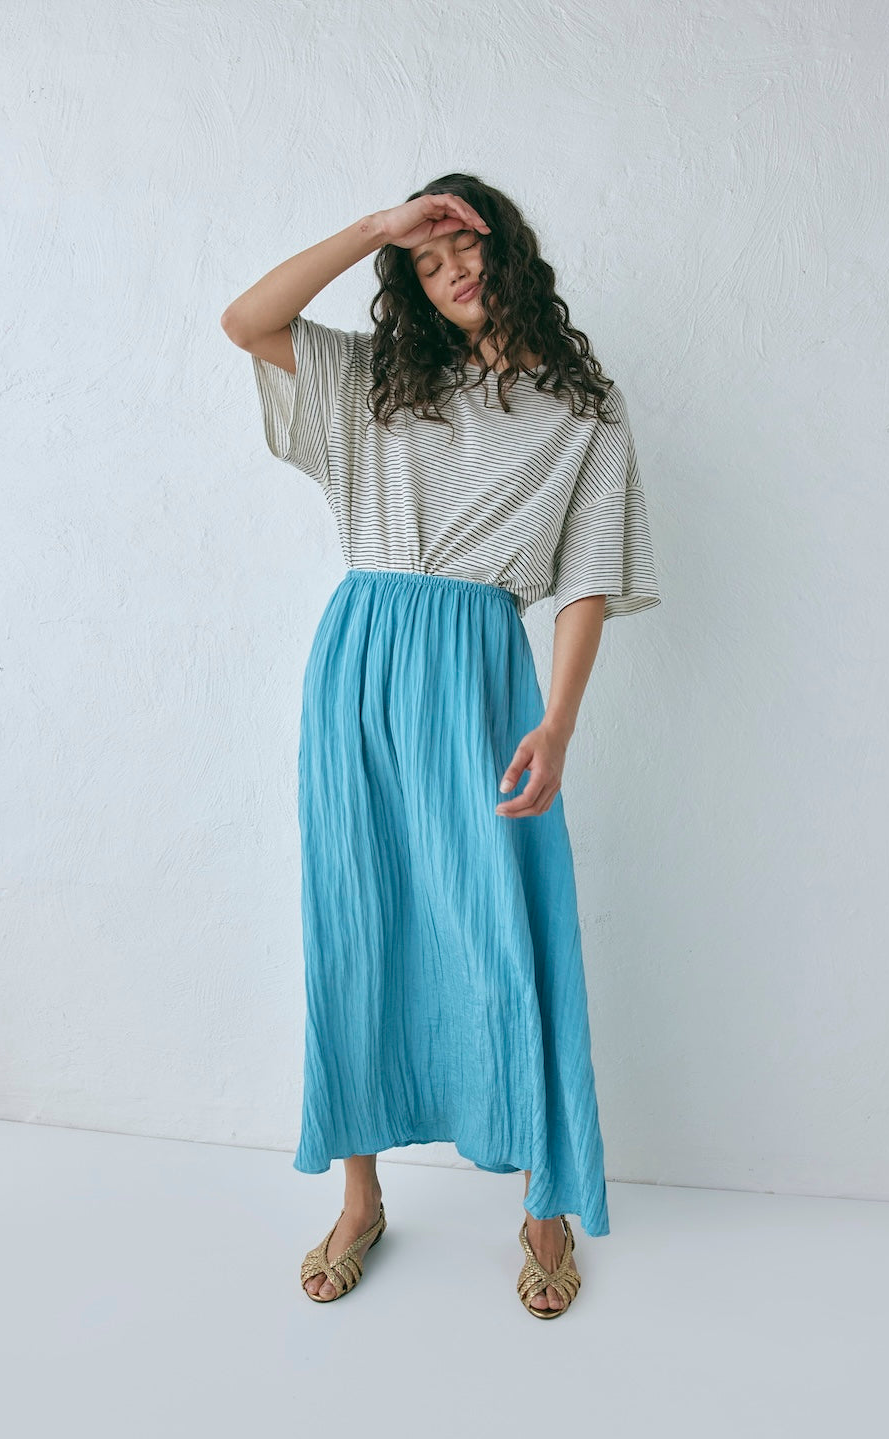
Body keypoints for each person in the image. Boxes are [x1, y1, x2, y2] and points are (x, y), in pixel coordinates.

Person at [220, 173, 661, 1319]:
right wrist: (376, 226)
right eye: (425, 258)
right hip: (362, 664)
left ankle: (544, 1203)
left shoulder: (583, 409)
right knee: (357, 921)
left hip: (480, 676)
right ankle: (361, 1197)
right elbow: (248, 321)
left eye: (464, 244)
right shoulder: (378, 379)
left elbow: (587, 578)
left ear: (508, 250)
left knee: (506, 924)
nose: (451, 267)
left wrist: (557, 722)